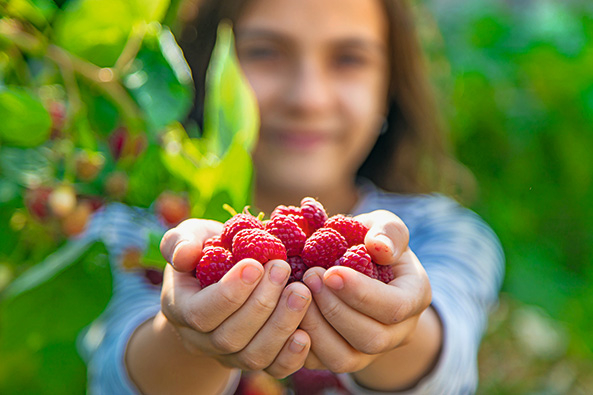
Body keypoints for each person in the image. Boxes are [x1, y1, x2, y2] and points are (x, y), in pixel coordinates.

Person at [77, 0, 505, 393]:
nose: (308, 98)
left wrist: (398, 324)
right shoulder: (135, 233)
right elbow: (118, 373)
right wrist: (188, 334)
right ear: (205, 64)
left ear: (390, 85)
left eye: (348, 59)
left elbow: (446, 366)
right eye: (265, 51)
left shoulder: (446, 234)